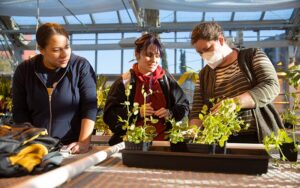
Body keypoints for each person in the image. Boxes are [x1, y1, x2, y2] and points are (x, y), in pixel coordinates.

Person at [189, 22, 284, 143]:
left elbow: (271, 85)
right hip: (219, 140)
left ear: (221, 40)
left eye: (207, 49)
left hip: (256, 137)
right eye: (200, 52)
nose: (204, 55)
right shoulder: (204, 75)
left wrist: (234, 103)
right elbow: (197, 110)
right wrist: (192, 132)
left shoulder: (252, 56)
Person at [12, 23, 97, 153]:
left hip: (71, 147)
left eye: (67, 47)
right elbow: (19, 111)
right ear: (41, 49)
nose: (65, 54)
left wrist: (83, 142)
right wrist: (29, 142)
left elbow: (89, 107)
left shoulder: (80, 66)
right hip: (37, 146)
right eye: (56, 50)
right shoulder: (25, 70)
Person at [104, 33, 190, 145]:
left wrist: (170, 113)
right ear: (137, 54)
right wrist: (137, 113)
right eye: (149, 55)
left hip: (164, 146)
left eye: (157, 55)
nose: (154, 60)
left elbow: (184, 106)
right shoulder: (125, 81)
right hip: (132, 145)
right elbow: (110, 115)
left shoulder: (167, 80)